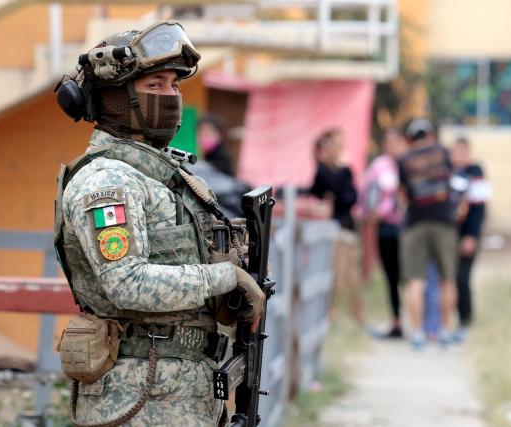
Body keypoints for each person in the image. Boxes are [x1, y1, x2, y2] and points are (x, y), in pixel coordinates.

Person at [53, 22, 264, 426]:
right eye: (155, 86)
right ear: (117, 98)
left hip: (183, 395)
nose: (170, 97)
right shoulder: (108, 181)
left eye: (174, 86)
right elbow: (127, 283)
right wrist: (226, 278)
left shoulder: (165, 174)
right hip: (136, 399)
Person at [397, 118, 458, 349]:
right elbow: (451, 181)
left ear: (410, 139)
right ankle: (443, 331)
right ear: (431, 134)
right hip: (444, 222)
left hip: (415, 223)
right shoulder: (443, 152)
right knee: (447, 279)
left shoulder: (404, 160)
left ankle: (418, 333)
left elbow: (403, 193)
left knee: (415, 281)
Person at [310, 129, 362, 323]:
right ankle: (332, 313)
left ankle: (356, 314)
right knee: (335, 274)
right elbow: (321, 194)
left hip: (345, 226)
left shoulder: (344, 170)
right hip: (331, 228)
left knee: (350, 273)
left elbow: (350, 197)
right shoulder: (323, 170)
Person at [360, 128, 408, 338]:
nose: (392, 146)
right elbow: (367, 192)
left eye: (396, 142)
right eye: (388, 142)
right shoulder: (379, 166)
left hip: (408, 228)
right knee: (392, 277)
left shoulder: (409, 164)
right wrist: (368, 214)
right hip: (386, 229)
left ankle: (417, 322)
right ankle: (397, 321)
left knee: (411, 277)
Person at [450, 136, 489, 340]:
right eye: (456, 152)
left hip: (466, 236)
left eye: (463, 152)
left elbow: (480, 209)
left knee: (462, 278)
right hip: (449, 235)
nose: (460, 156)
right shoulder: (448, 173)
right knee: (450, 280)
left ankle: (466, 321)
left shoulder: (476, 173)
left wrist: (471, 236)